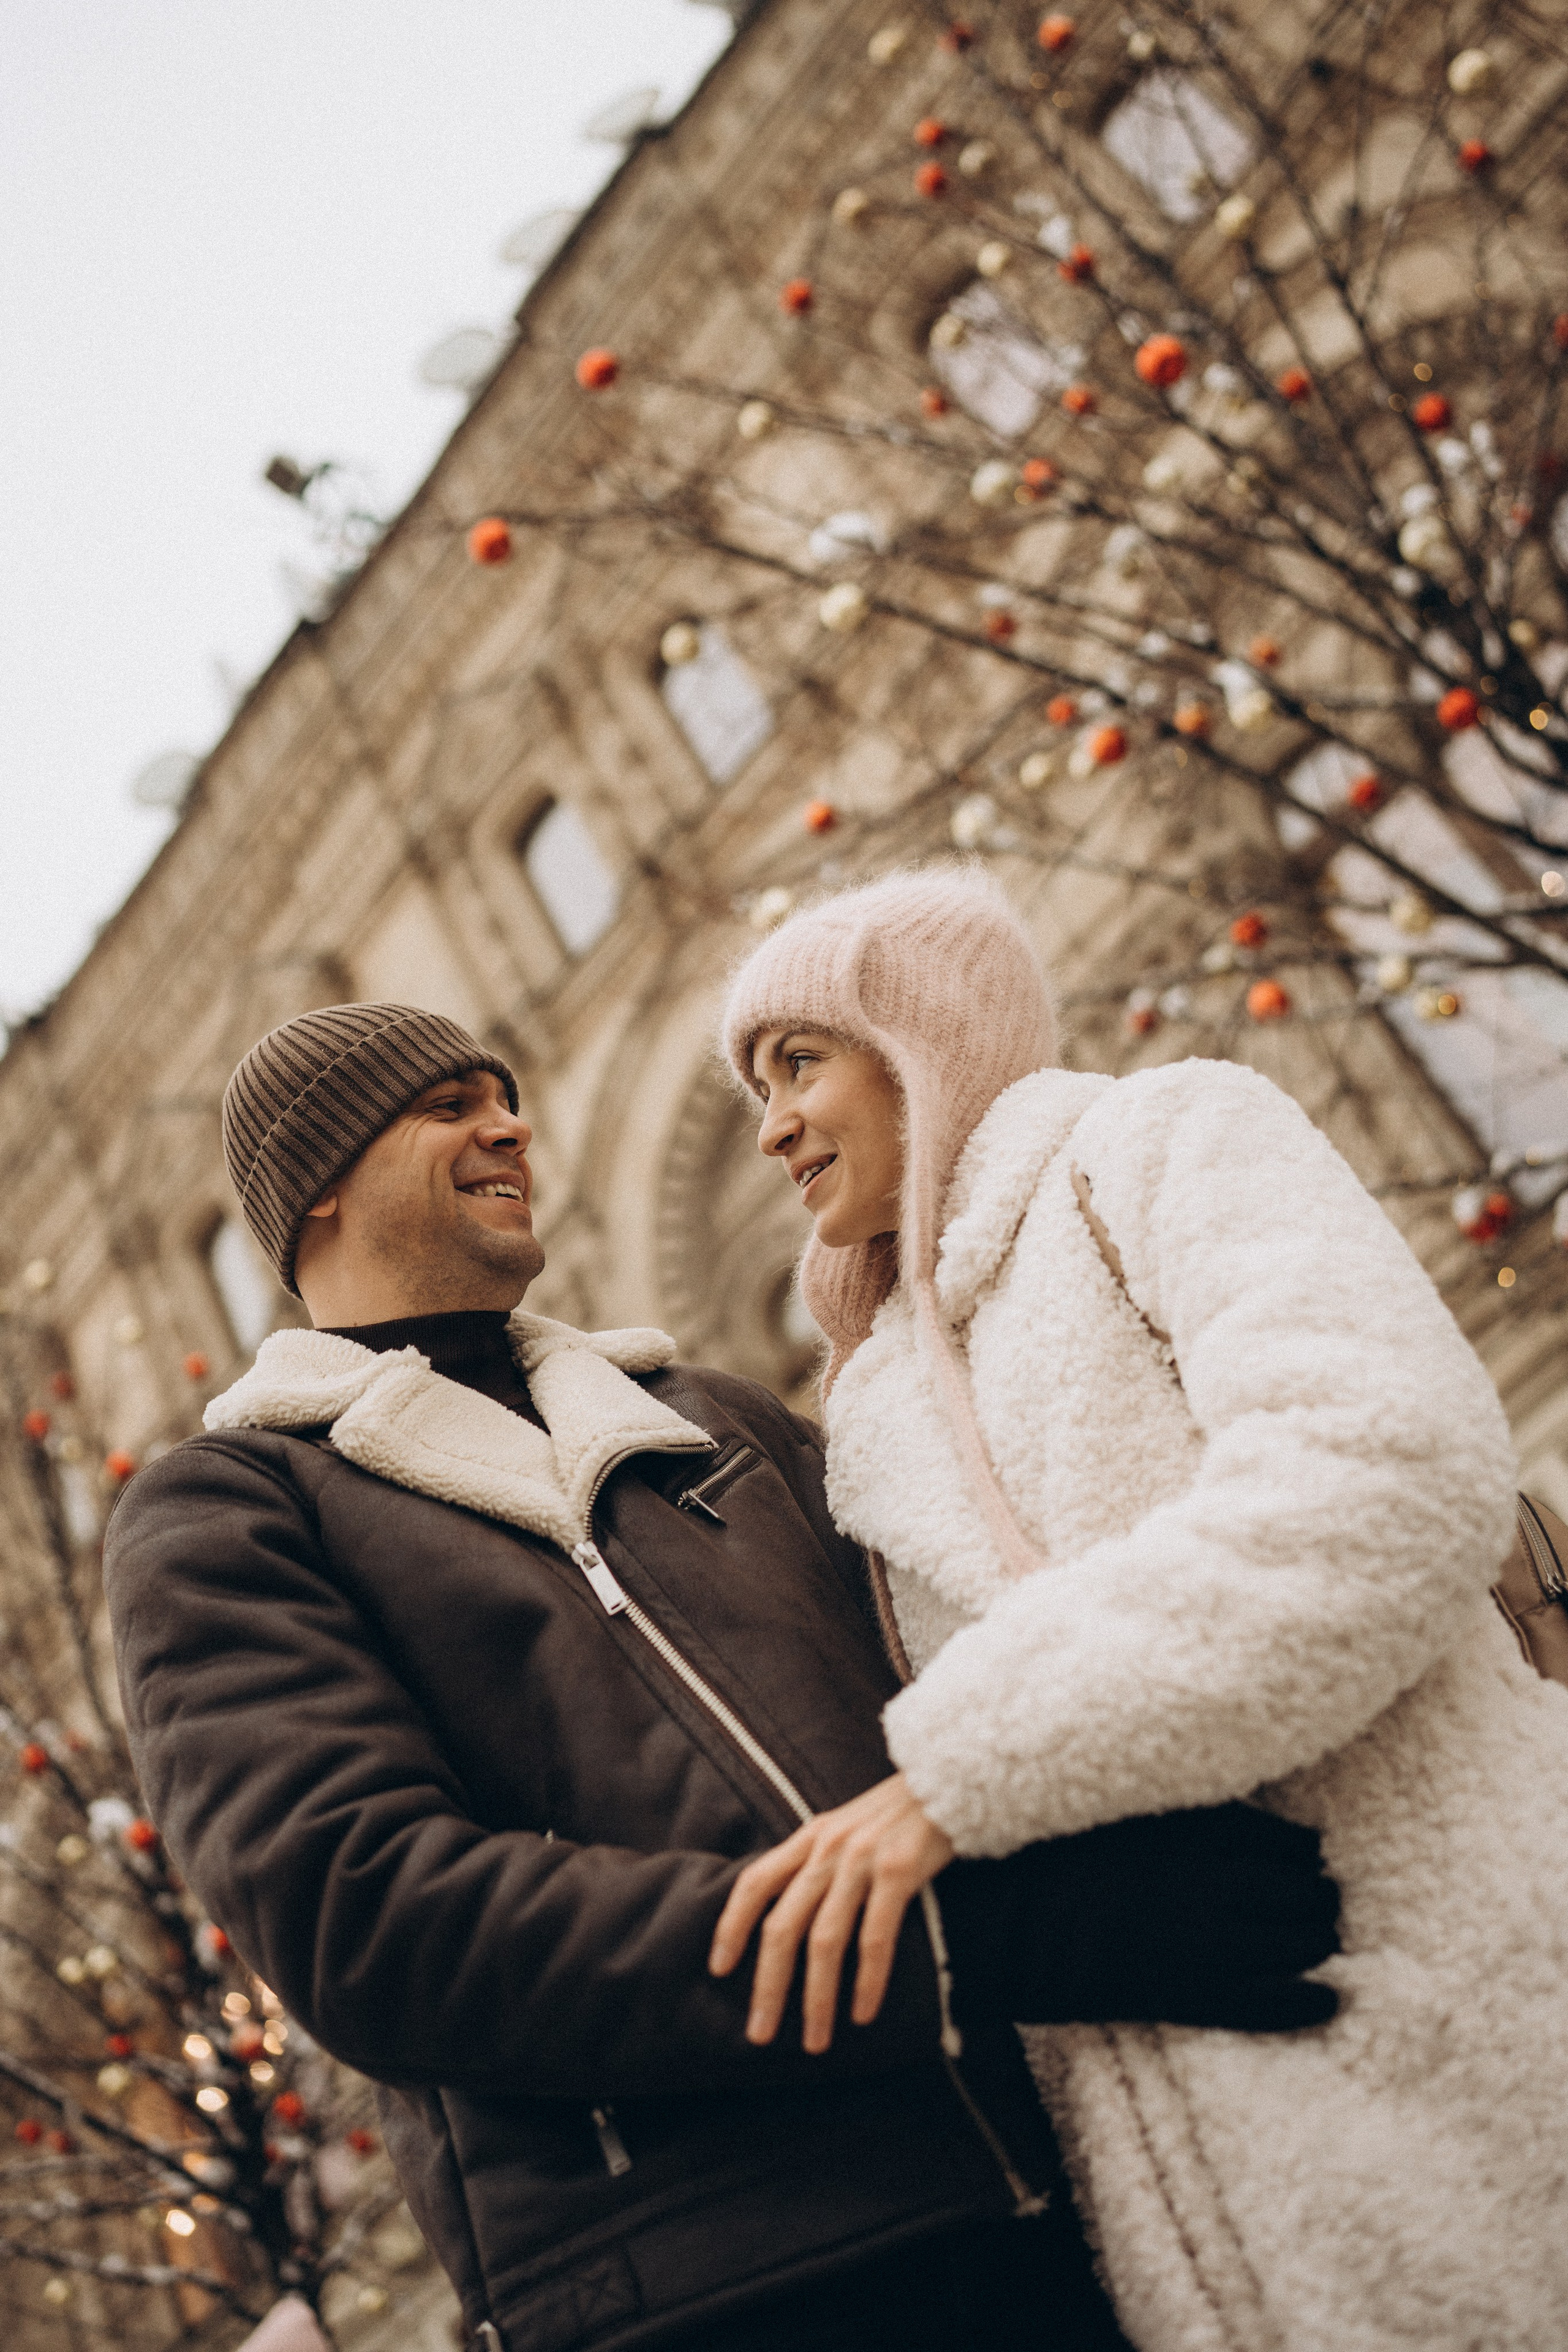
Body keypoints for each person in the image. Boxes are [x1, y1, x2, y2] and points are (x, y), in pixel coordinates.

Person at [104, 1002, 1340, 2352]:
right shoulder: (229, 1513)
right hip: (700, 2282)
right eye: (449, 1105)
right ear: (319, 1181)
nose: (508, 1124)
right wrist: (954, 1943)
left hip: (1037, 2200)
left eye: (504, 1095)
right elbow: (373, 1919)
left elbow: (965, 1666)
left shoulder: (713, 1419)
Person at [717, 866, 1568, 2352]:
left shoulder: (1164, 1137)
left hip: (1468, 2007)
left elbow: (1384, 1471)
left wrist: (960, 1769)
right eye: (755, 1087)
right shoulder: (869, 1406)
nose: (771, 1123)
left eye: (799, 1061)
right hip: (1205, 2180)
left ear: (916, 1032)